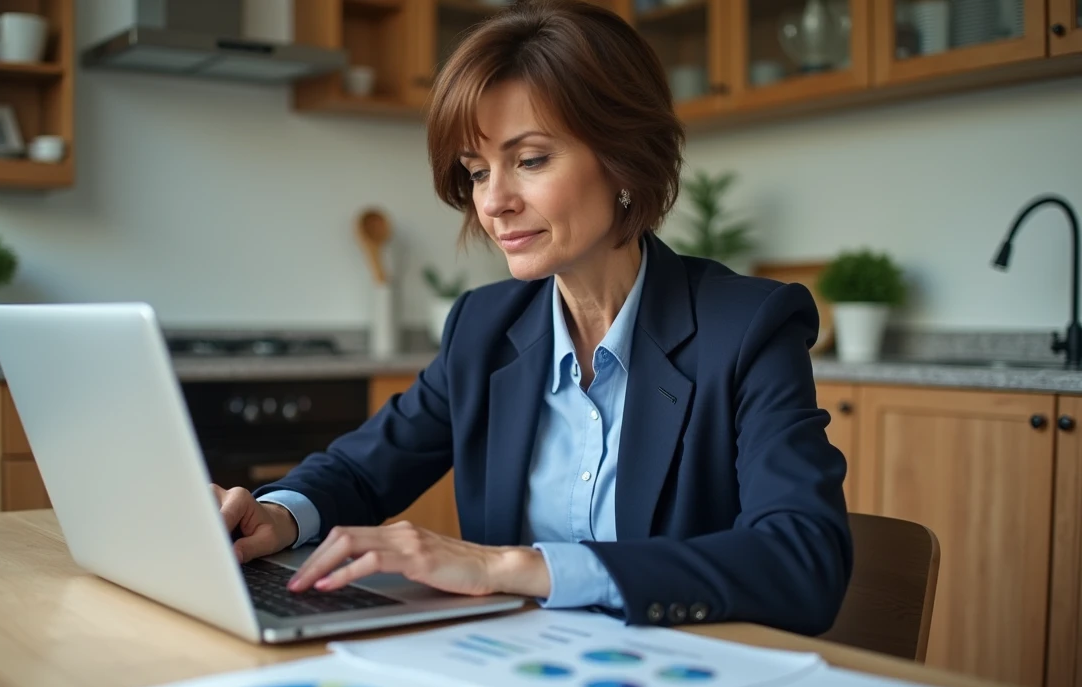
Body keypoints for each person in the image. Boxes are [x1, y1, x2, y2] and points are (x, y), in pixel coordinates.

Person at [213, 0, 851, 634]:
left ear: (626, 158)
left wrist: (516, 567)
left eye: (531, 159)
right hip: (516, 677)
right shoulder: (484, 328)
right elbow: (359, 468)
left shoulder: (746, 328)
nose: (493, 203)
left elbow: (804, 559)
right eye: (477, 171)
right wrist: (277, 517)